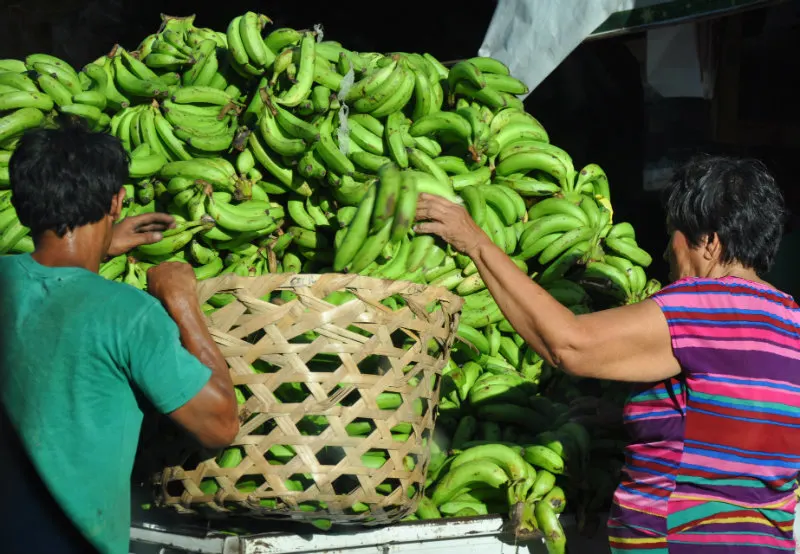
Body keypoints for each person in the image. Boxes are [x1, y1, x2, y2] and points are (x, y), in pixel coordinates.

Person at [415, 155, 800, 553]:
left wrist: (476, 244)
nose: (667, 255)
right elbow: (737, 427)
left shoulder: (702, 306)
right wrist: (632, 416)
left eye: (673, 235)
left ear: (709, 241)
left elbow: (567, 345)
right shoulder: (790, 323)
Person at [0, 123, 239, 554]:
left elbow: (53, 288)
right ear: (116, 201)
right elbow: (219, 425)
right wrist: (179, 301)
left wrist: (97, 244)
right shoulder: (129, 314)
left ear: (19, 206)